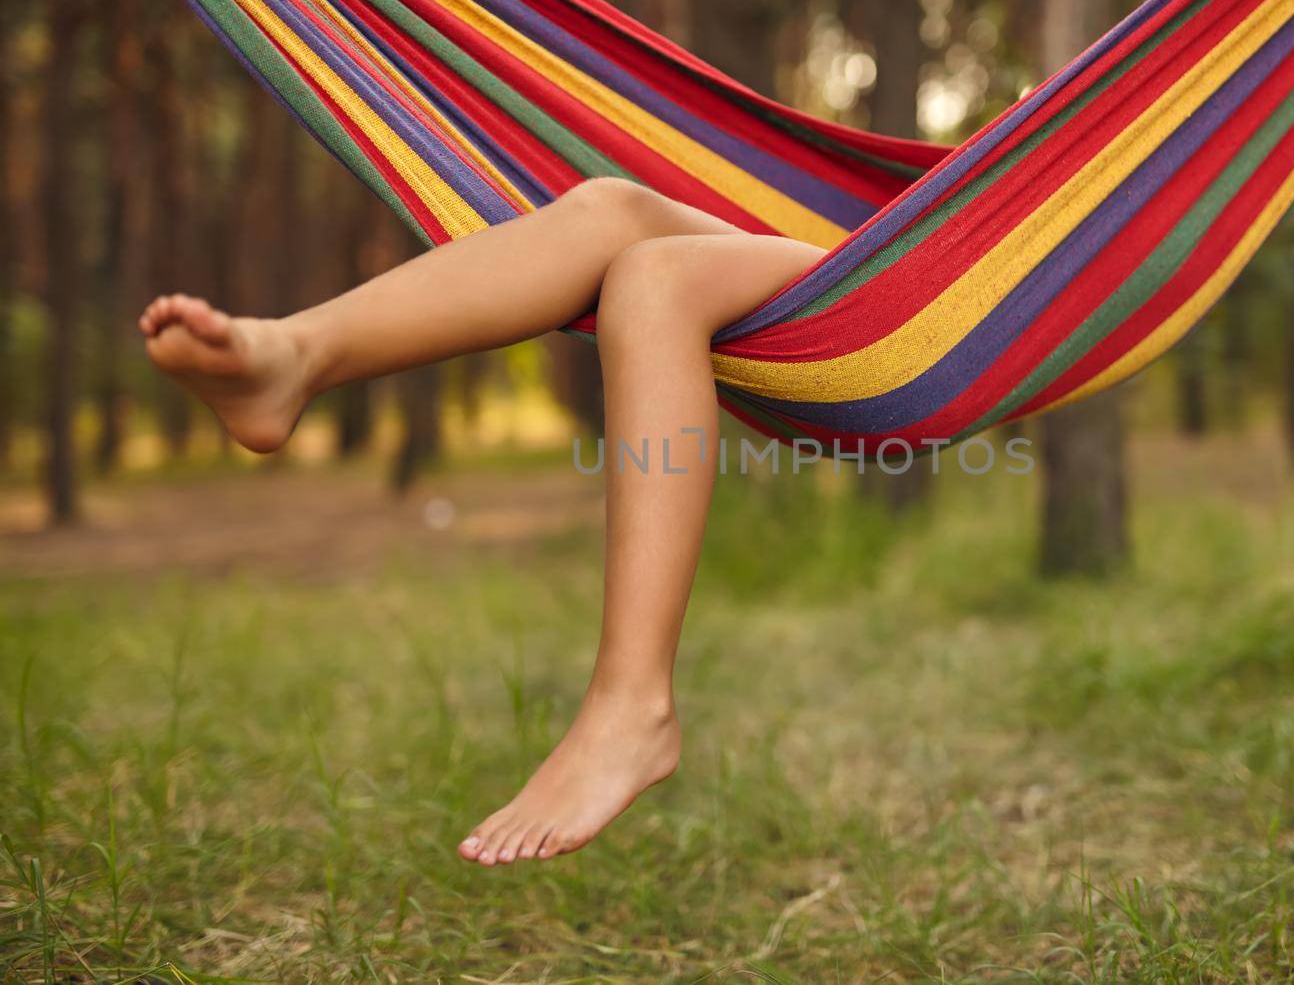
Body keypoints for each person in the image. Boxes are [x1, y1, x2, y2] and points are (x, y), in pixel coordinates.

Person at [138, 178, 824, 866]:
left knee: (657, 276)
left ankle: (634, 706)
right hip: (890, 256)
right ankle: (296, 355)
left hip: (925, 288)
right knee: (614, 207)